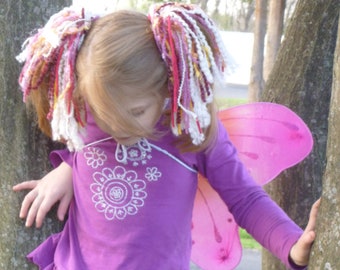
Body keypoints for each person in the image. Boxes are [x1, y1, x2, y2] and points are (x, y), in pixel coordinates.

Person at [13, 2, 320, 270]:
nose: (117, 128)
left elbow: (246, 198)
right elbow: (82, 143)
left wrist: (292, 245)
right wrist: (70, 165)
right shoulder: (85, 115)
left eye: (135, 112)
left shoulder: (191, 130)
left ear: (165, 87)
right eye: (104, 114)